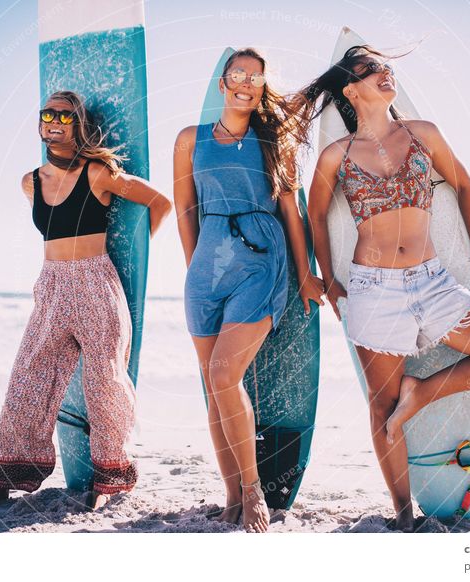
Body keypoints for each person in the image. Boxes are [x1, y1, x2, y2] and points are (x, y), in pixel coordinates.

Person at [298, 46, 470, 531]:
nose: (384, 74)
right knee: (382, 408)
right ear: (352, 89)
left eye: (386, 67)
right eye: (372, 70)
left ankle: (425, 390)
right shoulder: (337, 155)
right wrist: (327, 280)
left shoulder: (422, 133)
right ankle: (403, 513)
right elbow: (316, 214)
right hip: (372, 290)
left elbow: (465, 186)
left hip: (435, 285)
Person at [0, 90, 172, 509]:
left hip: (95, 282)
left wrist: (137, 260)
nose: (54, 120)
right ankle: (5, 480)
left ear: (79, 125)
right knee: (26, 380)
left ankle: (108, 481)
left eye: (65, 115)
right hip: (51, 285)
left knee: (104, 384)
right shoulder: (30, 182)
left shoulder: (98, 173)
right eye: (48, 113)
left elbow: (159, 202)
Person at [174, 48, 325, 533]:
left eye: (255, 77)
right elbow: (185, 211)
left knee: (223, 376)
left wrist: (304, 273)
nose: (245, 82)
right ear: (222, 83)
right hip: (207, 267)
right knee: (212, 387)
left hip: (261, 260)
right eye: (237, 74)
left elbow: (291, 212)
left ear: (261, 88)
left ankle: (254, 488)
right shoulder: (188, 140)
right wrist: (195, 270)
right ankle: (232, 495)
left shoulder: (273, 140)